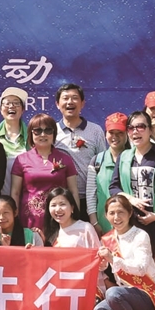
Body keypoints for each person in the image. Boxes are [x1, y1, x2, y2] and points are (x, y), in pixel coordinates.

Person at [109, 111, 155, 260]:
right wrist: (131, 199)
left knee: (152, 268)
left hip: (154, 222)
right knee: (128, 264)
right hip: (129, 221)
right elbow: (114, 187)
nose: (135, 131)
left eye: (140, 127)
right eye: (131, 128)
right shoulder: (124, 156)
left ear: (150, 130)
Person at [10, 114, 80, 231]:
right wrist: (15, 219)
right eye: (37, 131)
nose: (43, 134)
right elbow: (15, 192)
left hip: (59, 218)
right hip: (29, 219)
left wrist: (74, 218)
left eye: (48, 130)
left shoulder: (65, 159)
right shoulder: (21, 160)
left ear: (54, 134)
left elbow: (73, 191)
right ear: (31, 134)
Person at [54, 83, 107, 220]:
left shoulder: (95, 130)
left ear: (82, 103)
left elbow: (103, 163)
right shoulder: (52, 131)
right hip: (61, 200)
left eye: (74, 98)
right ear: (57, 104)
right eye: (65, 98)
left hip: (90, 199)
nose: (70, 102)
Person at [86, 112, 129, 235]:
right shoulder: (97, 161)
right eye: (111, 132)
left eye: (120, 133)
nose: (115, 137)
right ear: (105, 134)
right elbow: (91, 194)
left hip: (130, 225)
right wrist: (94, 222)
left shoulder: (134, 159)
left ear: (127, 134)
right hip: (103, 225)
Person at [0, 87, 30, 196]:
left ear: (23, 109)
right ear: (0, 109)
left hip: (27, 199)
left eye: (16, 103)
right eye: (7, 103)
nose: (11, 106)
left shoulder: (33, 137)